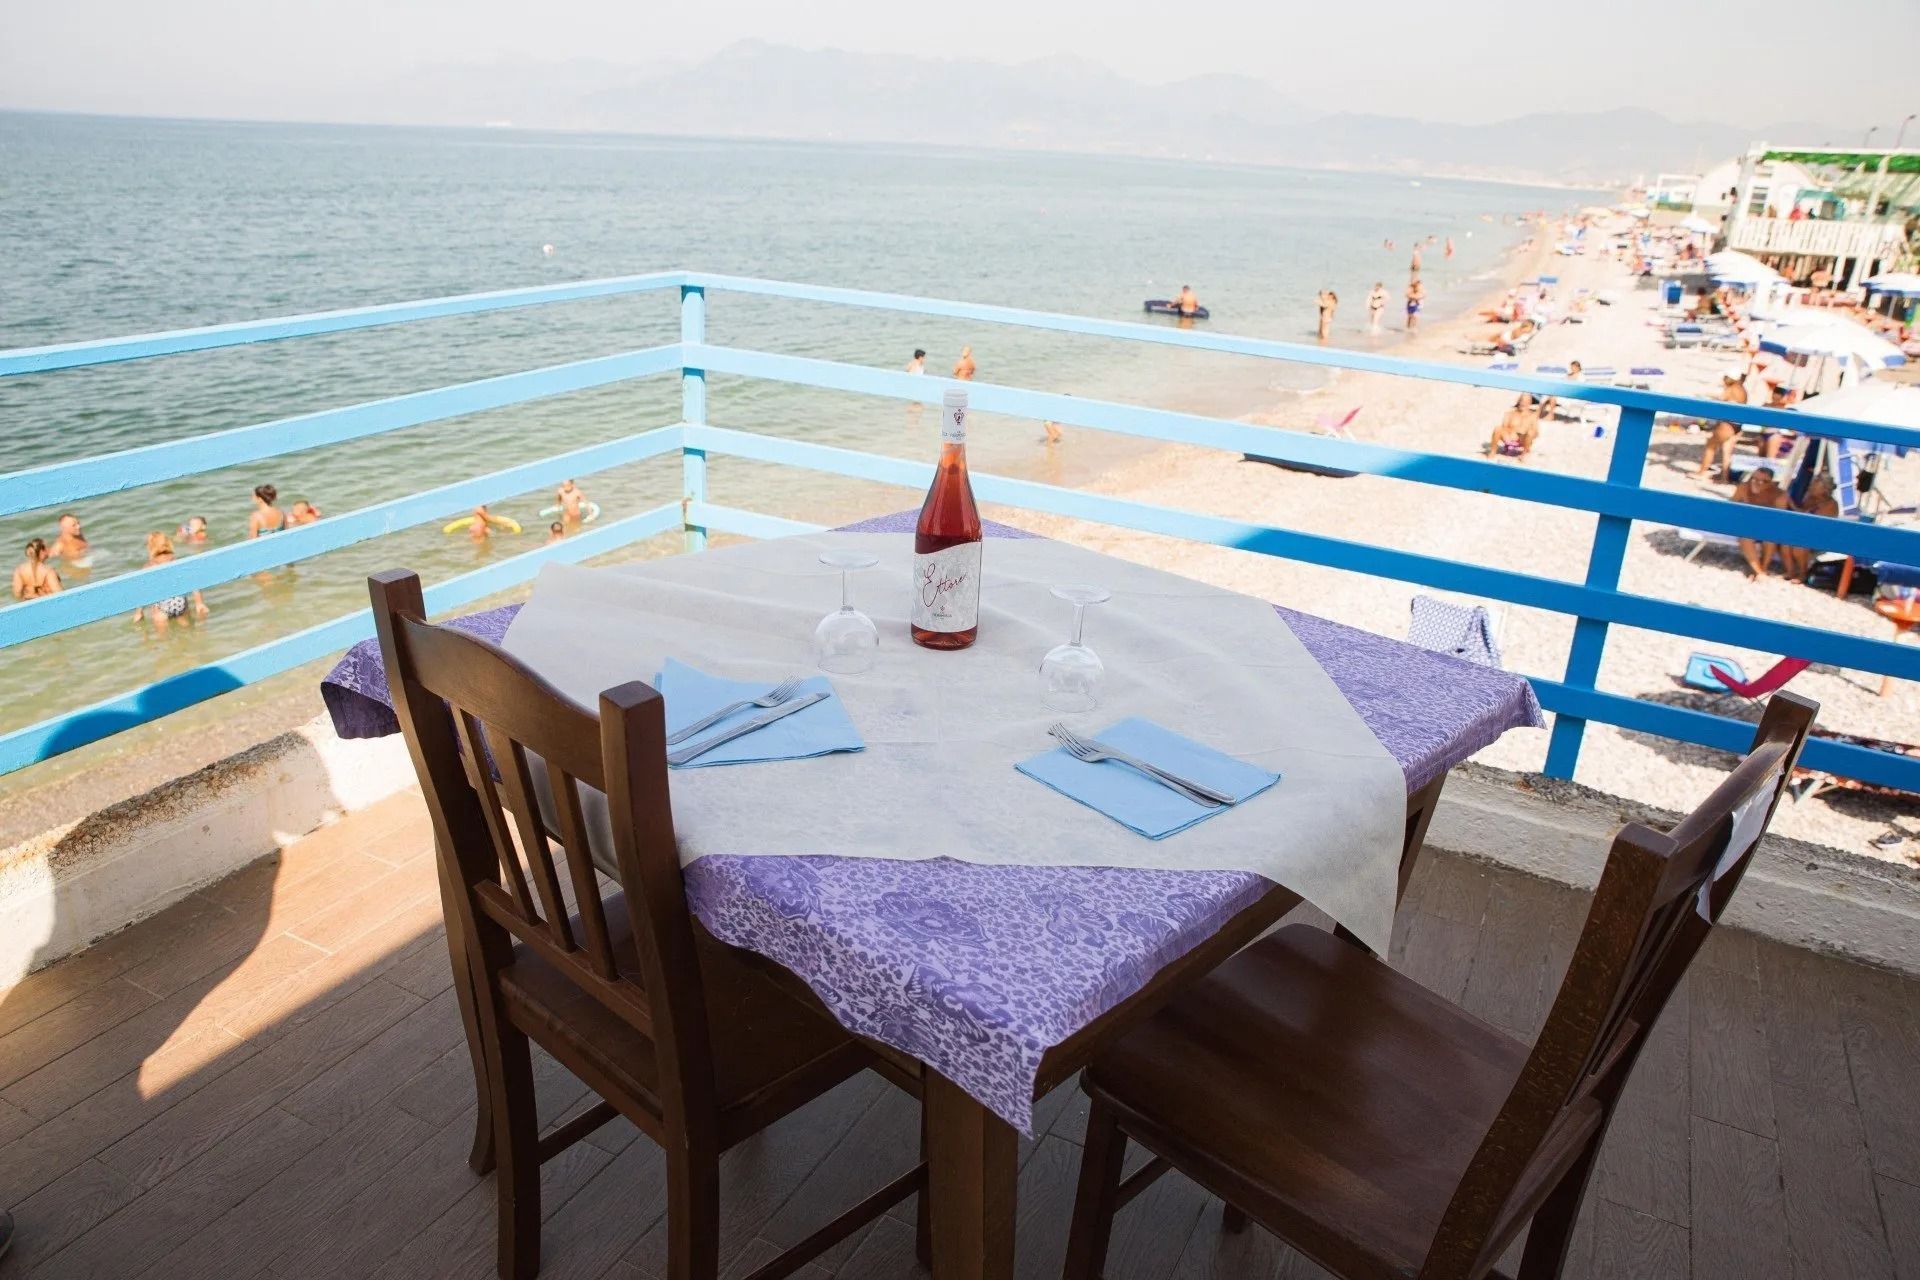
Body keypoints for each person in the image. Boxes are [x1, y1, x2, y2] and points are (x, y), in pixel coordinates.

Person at [132, 534, 208, 630]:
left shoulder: (150, 565)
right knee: (187, 632)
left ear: (151, 546)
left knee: (163, 639)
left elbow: (143, 590)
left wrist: (139, 612)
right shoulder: (175, 560)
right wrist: (199, 602)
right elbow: (191, 580)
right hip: (179, 602)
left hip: (161, 605)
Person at [1732, 467, 1794, 580]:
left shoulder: (1779, 495)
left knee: (1770, 538)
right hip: (1746, 523)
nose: (1757, 483)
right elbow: (1731, 506)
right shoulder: (1744, 488)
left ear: (1771, 482)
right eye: (1754, 479)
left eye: (1763, 481)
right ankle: (1759, 571)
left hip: (1767, 525)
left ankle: (1763, 568)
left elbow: (1780, 518)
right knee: (1746, 538)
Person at [1693, 373, 1749, 481]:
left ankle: (1702, 472)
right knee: (1727, 451)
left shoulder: (1732, 388)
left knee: (1710, 446)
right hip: (1737, 424)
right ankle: (1724, 478)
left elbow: (1722, 399)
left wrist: (1705, 395)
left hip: (1727, 423)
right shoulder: (1742, 389)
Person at [1487, 394, 1540, 461]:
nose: (1523, 403)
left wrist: (1525, 433)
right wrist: (1512, 432)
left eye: (1526, 402)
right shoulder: (1510, 413)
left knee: (1531, 432)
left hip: (1523, 439)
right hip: (1509, 436)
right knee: (1498, 428)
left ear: (1529, 403)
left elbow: (1536, 433)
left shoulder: (1533, 416)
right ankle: (1493, 452)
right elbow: (1504, 426)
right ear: (1518, 401)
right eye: (1522, 401)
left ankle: (1523, 455)